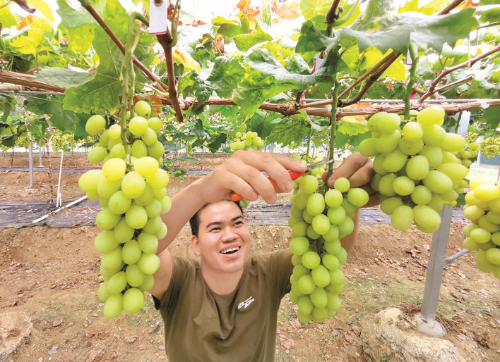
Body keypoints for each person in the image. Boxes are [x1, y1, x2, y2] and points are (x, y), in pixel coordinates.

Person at [151, 150, 377, 361]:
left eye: (237, 223)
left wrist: (346, 200)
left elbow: (329, 250)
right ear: (196, 244)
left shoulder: (267, 271)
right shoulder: (177, 281)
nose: (230, 235)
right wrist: (202, 190)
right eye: (216, 228)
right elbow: (141, 246)